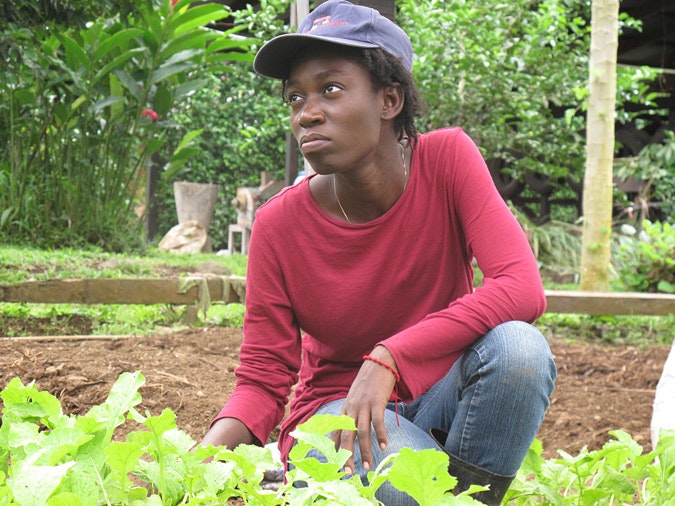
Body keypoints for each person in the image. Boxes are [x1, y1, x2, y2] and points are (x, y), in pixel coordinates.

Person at [200, 1, 556, 503]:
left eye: (330, 88)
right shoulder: (279, 224)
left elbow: (521, 287)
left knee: (520, 349)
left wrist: (390, 356)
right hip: (335, 412)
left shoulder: (448, 160)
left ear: (389, 100)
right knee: (404, 483)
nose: (308, 113)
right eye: (295, 98)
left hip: (436, 396)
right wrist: (195, 465)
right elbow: (263, 377)